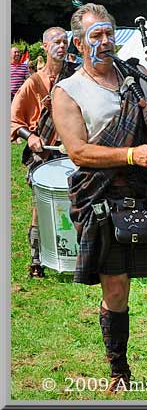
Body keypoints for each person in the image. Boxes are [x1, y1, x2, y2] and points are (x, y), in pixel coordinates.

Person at [52, 3, 147, 399]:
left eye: (109, 33)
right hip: (105, 195)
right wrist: (131, 154)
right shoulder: (68, 91)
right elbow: (78, 152)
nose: (105, 42)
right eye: (96, 35)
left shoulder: (138, 75)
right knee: (115, 289)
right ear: (77, 42)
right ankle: (119, 372)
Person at [11, 27, 75, 278]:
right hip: (45, 152)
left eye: (65, 42)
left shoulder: (77, 76)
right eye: (57, 42)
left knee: (81, 200)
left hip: (73, 147)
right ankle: (36, 258)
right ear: (45, 47)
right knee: (41, 205)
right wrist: (31, 137)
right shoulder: (33, 83)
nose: (62, 46)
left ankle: (80, 254)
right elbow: (13, 120)